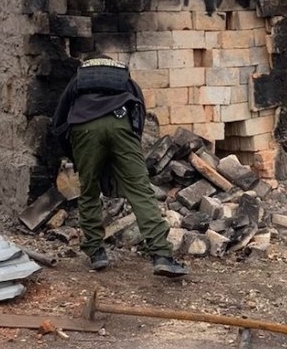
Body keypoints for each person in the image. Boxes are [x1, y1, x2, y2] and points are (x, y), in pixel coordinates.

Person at [51, 54, 188, 278]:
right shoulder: (124, 78)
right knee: (140, 190)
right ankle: (162, 256)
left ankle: (96, 253)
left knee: (89, 191)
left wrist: (72, 152)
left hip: (84, 129)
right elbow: (140, 111)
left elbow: (59, 119)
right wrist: (132, 139)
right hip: (121, 125)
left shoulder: (78, 80)